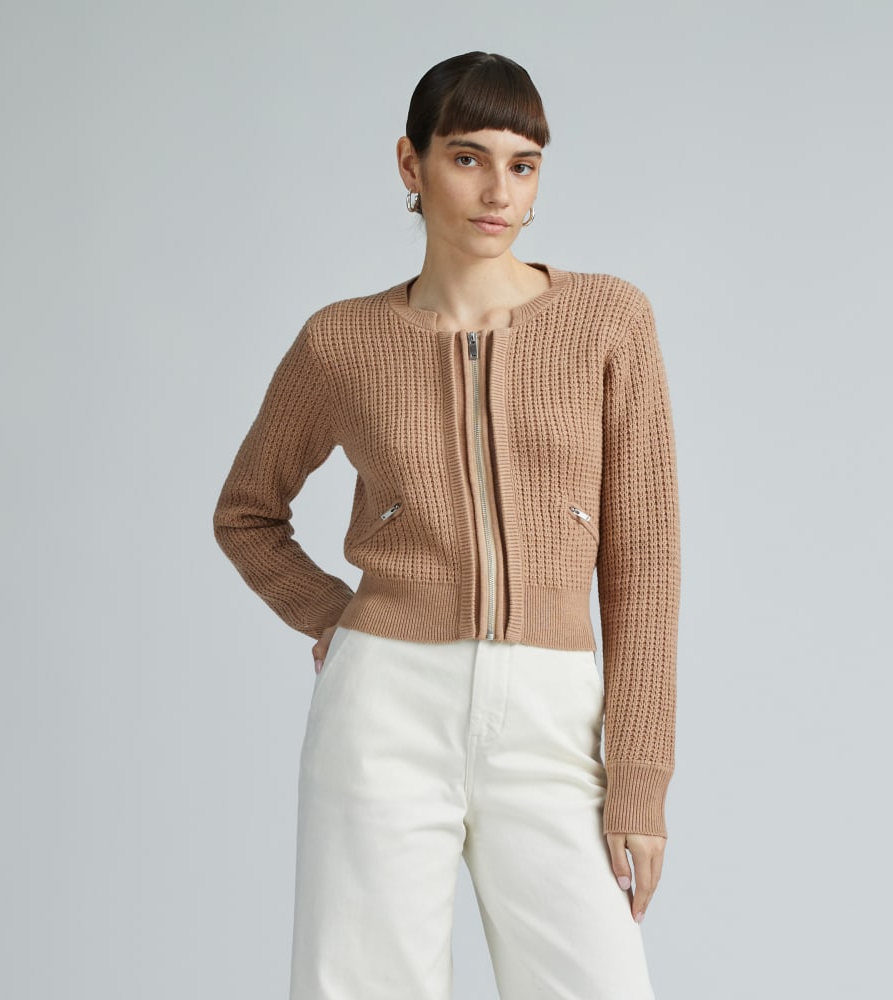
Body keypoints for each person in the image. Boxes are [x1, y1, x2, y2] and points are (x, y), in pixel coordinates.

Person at [213, 50, 681, 1000]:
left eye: (523, 164)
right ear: (411, 163)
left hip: (552, 713)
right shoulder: (342, 340)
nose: (499, 191)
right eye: (468, 158)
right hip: (384, 706)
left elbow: (646, 564)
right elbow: (247, 512)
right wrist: (331, 615)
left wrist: (639, 776)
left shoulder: (609, 321)